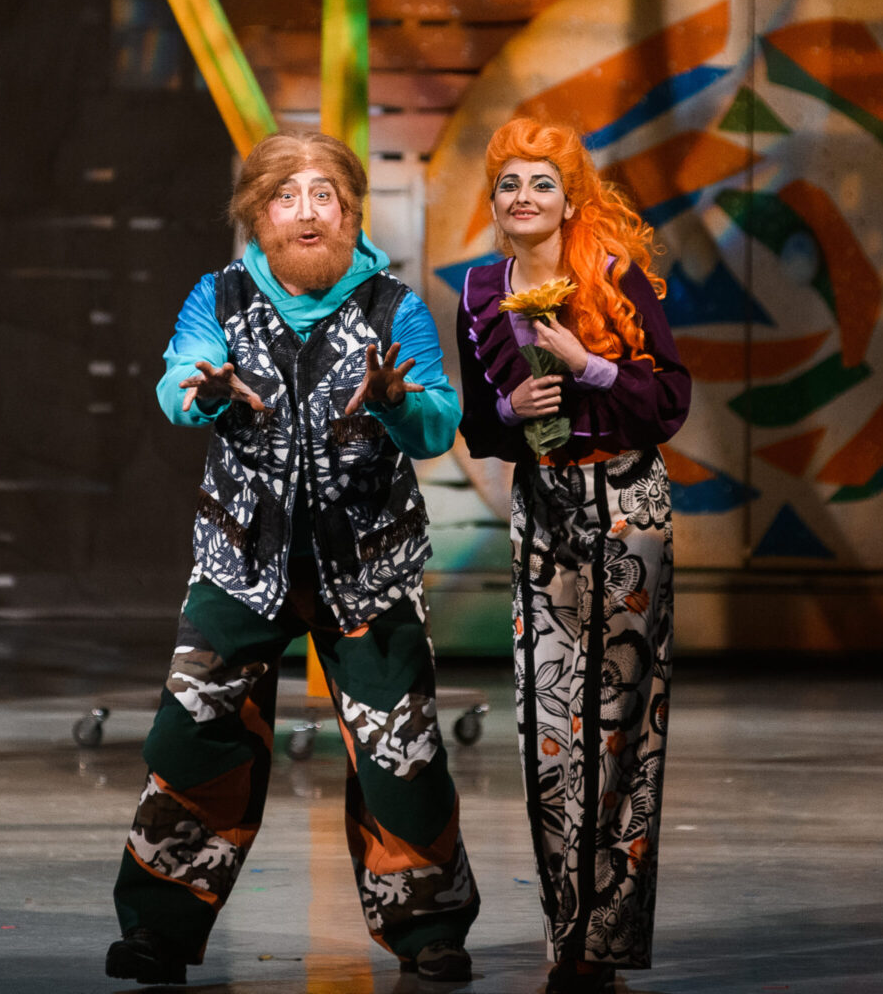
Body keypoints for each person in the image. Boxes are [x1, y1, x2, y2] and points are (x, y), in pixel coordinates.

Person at [107, 129, 480, 986]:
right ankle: (158, 928)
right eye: (286, 196)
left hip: (368, 567)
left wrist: (396, 402)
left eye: (324, 196)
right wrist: (202, 389)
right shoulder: (220, 296)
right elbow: (176, 385)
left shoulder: (393, 306)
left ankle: (428, 929)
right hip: (242, 560)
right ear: (258, 214)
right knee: (194, 736)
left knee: (402, 752)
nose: (306, 212)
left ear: (350, 212)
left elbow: (436, 423)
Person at [454, 117, 692, 993]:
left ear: (570, 198)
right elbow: (480, 428)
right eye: (509, 183)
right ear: (494, 203)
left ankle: (606, 941)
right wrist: (509, 409)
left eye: (542, 182)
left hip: (628, 506)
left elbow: (670, 401)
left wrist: (589, 366)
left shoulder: (613, 276)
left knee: (622, 728)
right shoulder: (481, 291)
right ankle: (568, 937)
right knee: (549, 735)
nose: (524, 196)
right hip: (544, 509)